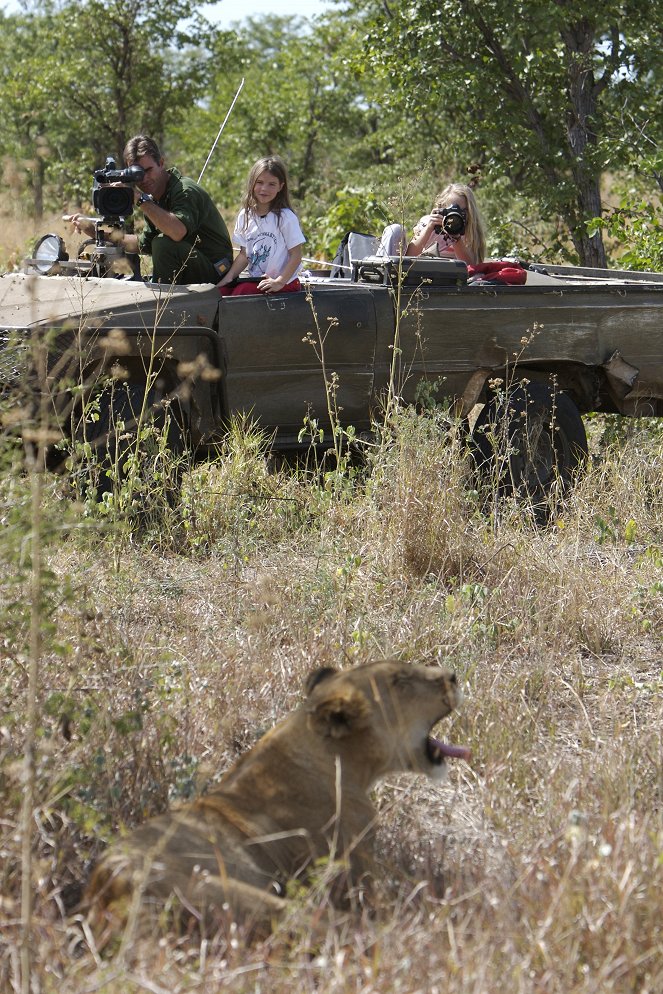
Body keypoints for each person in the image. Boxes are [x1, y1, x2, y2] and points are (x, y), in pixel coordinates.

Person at [68, 135, 233, 285]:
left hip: (219, 273)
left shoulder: (184, 190)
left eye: (148, 170)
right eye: (137, 174)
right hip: (194, 268)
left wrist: (139, 199)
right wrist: (94, 232)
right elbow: (143, 244)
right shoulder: (154, 199)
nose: (144, 179)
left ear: (161, 163)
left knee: (163, 243)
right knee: (157, 243)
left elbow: (177, 232)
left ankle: (160, 300)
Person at [218, 155, 305, 296]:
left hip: (286, 282)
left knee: (241, 292)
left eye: (272, 184)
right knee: (220, 292)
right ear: (252, 183)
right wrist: (227, 279)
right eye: (259, 182)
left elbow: (296, 255)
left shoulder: (285, 217)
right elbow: (244, 255)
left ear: (280, 187)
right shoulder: (245, 215)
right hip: (258, 280)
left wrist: (279, 282)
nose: (264, 188)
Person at [378, 183, 486, 266]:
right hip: (420, 271)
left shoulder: (470, 232)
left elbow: (471, 267)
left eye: (462, 211)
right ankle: (383, 273)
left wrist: (456, 238)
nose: (455, 216)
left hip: (450, 278)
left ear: (471, 212)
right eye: (451, 211)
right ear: (441, 209)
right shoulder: (429, 224)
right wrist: (429, 228)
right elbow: (409, 257)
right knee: (395, 229)